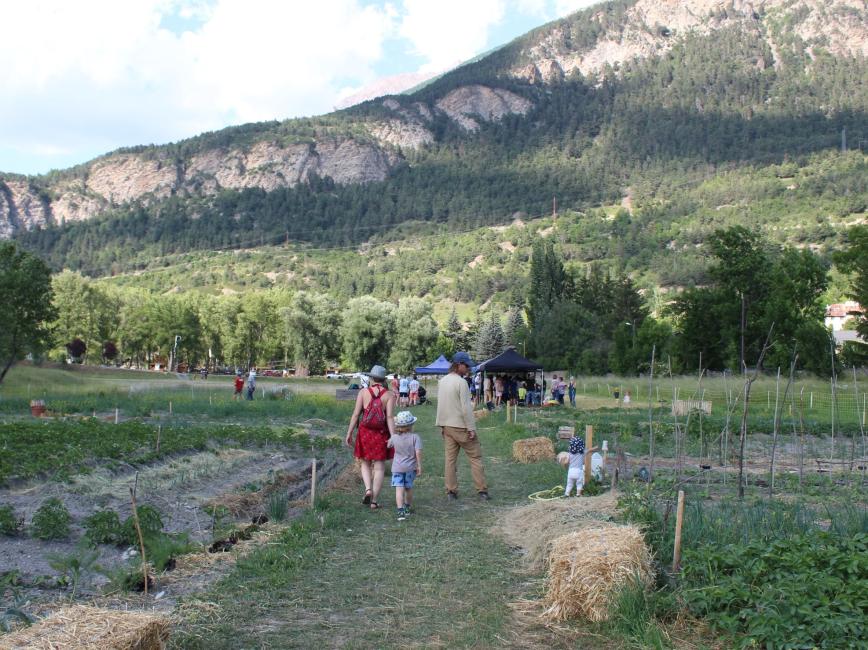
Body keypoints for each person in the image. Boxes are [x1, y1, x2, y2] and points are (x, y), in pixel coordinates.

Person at [435, 352, 489, 501]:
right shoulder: (461, 382)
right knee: (475, 457)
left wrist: (441, 425)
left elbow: (442, 404)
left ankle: (451, 491)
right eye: (466, 365)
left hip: (447, 426)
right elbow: (466, 408)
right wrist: (471, 428)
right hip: (460, 426)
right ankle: (482, 490)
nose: (468, 369)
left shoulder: (443, 381)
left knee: (450, 460)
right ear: (458, 364)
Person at [346, 365, 397, 510]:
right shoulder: (389, 395)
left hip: (365, 432)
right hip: (381, 433)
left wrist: (349, 433)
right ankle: (374, 501)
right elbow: (390, 417)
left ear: (371, 378)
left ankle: (368, 489)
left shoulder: (363, 392)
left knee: (365, 463)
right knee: (380, 467)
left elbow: (356, 414)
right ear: (383, 379)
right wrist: (393, 436)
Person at [388, 411, 422, 521]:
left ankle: (400, 510)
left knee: (399, 489)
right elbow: (418, 452)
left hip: (397, 468)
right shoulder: (415, 437)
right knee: (408, 488)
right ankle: (407, 508)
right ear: (411, 425)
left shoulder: (394, 437)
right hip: (410, 468)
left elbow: (388, 445)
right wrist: (419, 465)